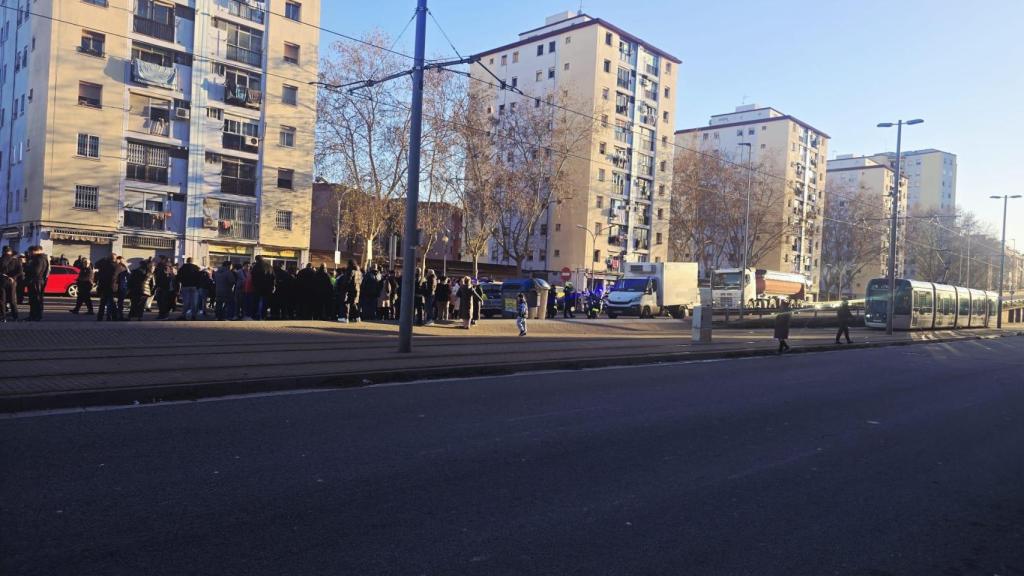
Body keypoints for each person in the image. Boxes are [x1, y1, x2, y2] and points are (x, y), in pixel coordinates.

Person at [24, 245, 50, 321]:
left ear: (34, 251)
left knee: (35, 300)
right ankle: (35, 316)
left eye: (30, 252)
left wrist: (27, 266)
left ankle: (35, 316)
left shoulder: (38, 259)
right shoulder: (43, 258)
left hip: (36, 281)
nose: (29, 254)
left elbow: (36, 271)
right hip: (39, 281)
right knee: (36, 300)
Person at [0, 247, 22, 321]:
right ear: (11, 252)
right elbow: (20, 272)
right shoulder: (16, 260)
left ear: (3, 251)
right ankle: (15, 316)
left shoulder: (1, 259)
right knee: (13, 299)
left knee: (2, 300)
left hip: (2, 281)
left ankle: (3, 317)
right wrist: (13, 277)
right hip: (12, 282)